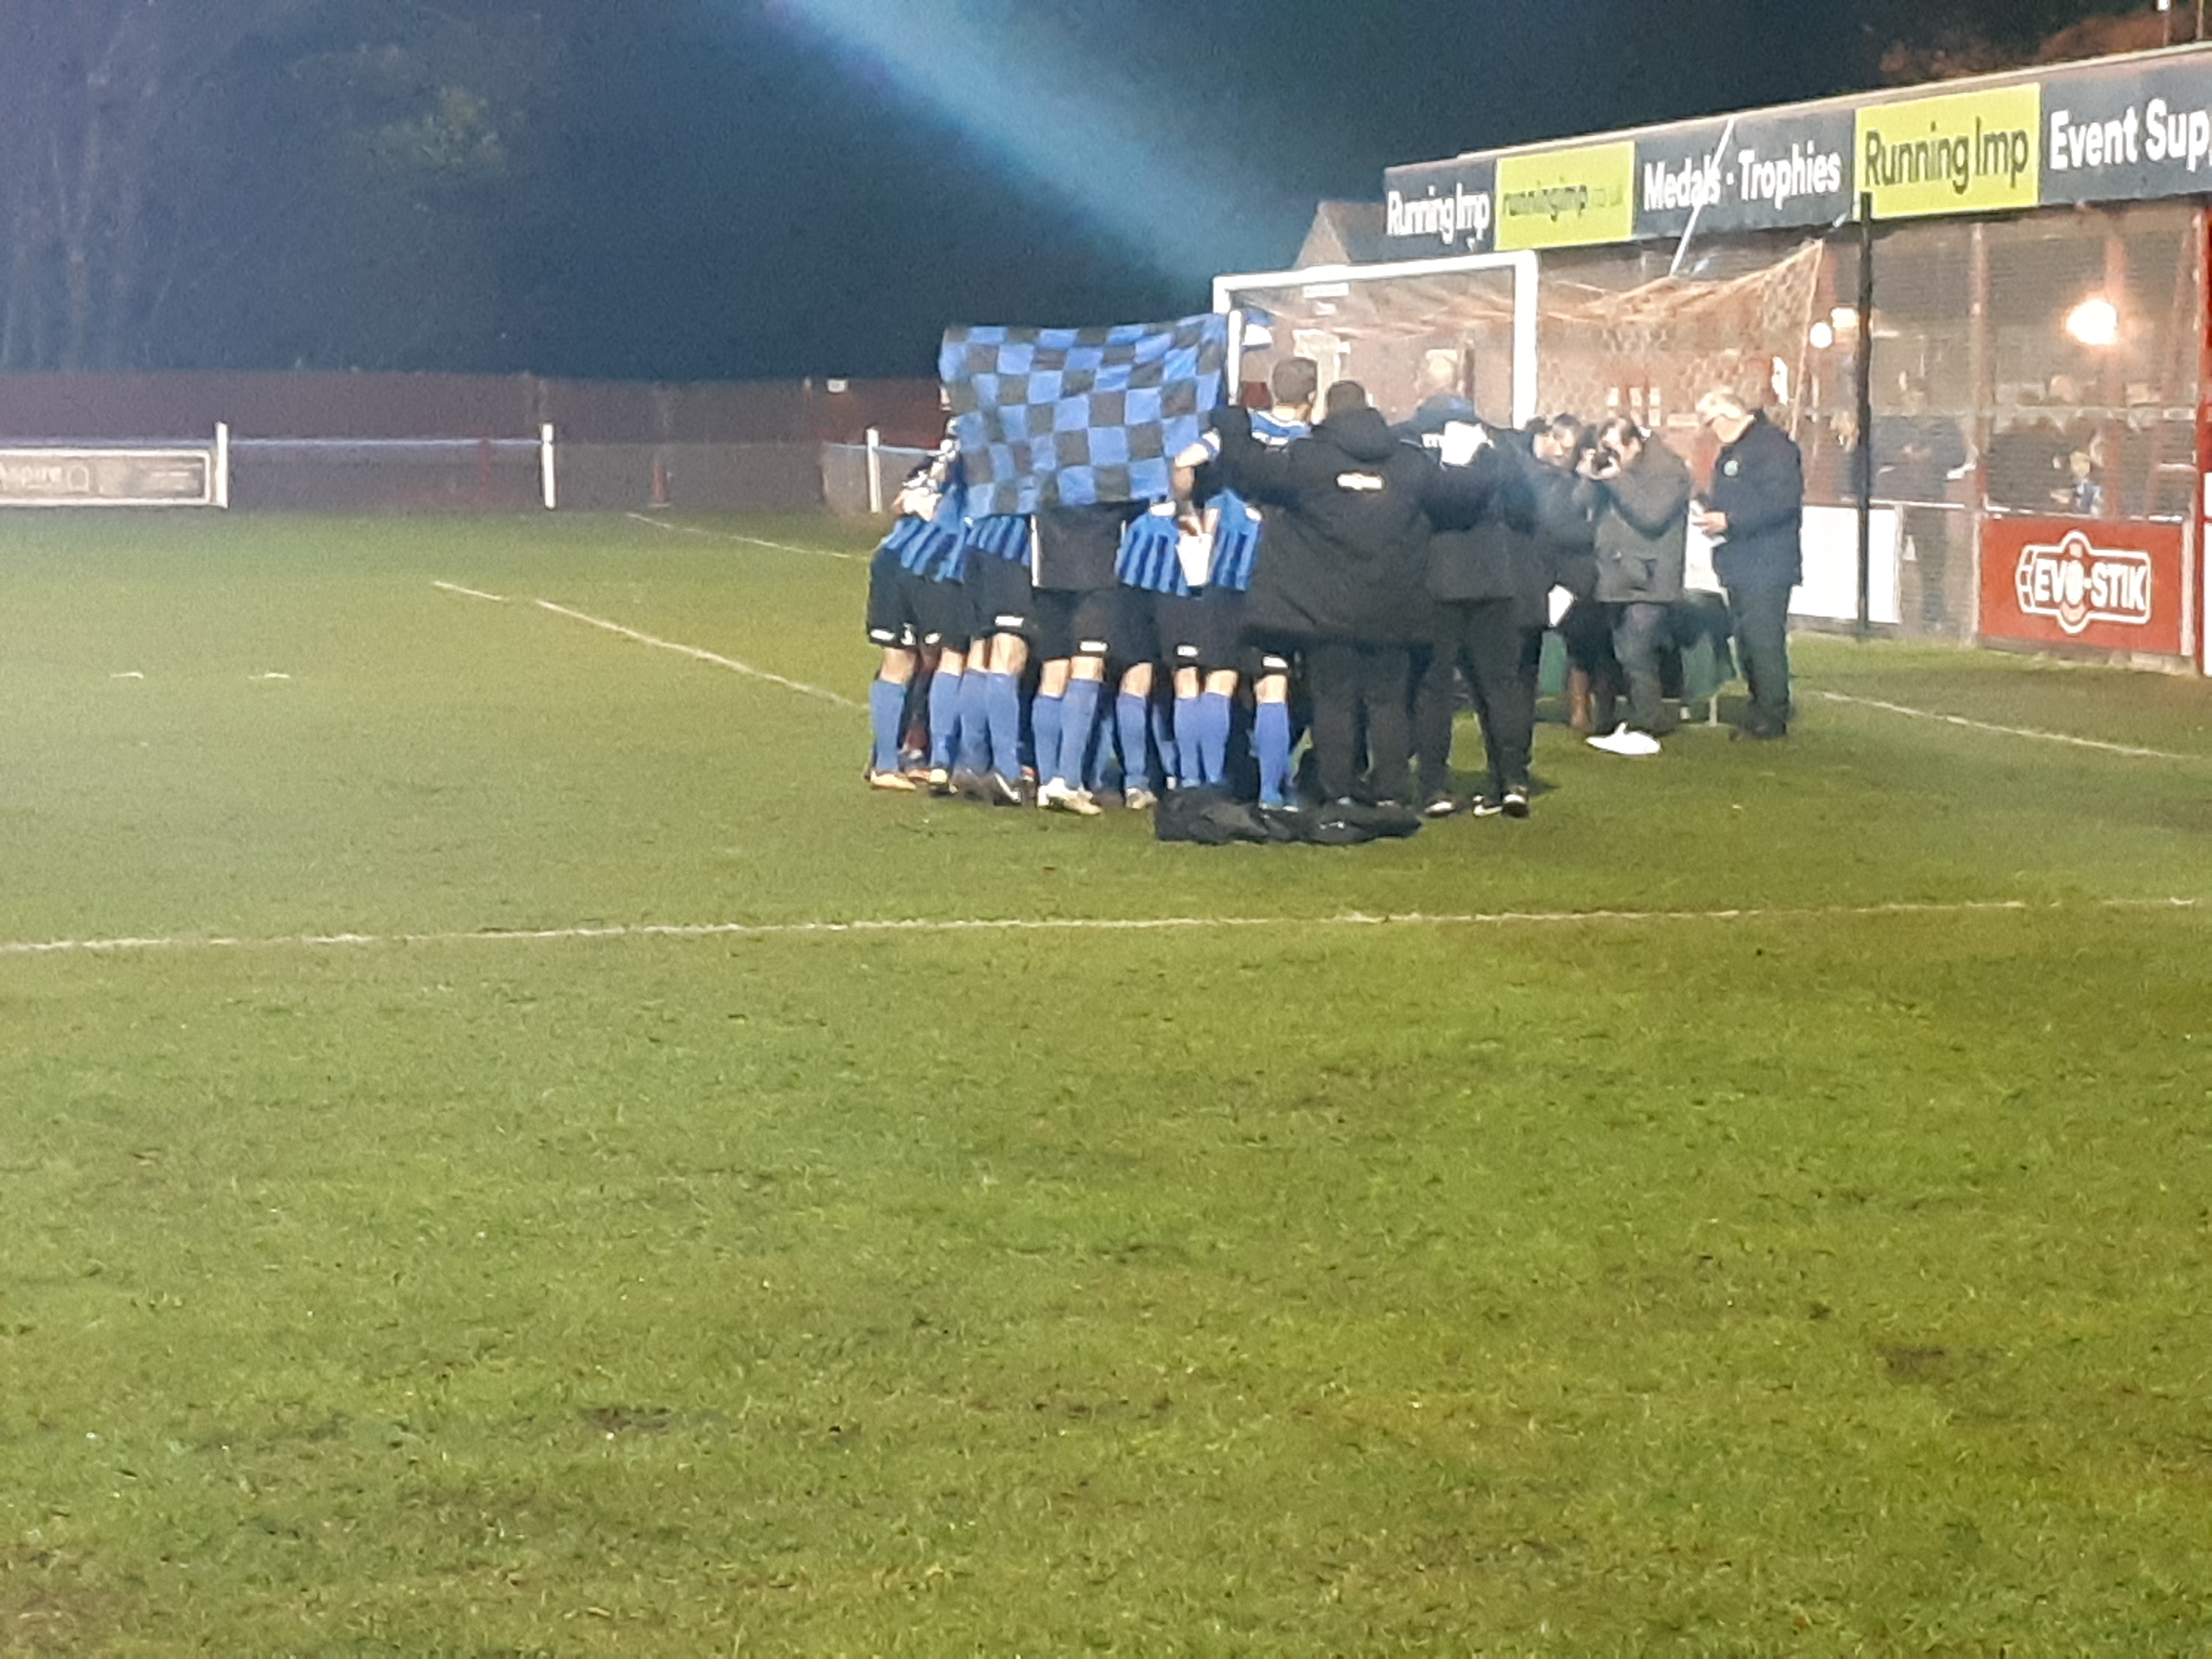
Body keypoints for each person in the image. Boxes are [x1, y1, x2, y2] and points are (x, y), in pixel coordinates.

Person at [1209, 379, 1501, 808]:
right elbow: (1460, 499)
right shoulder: (1409, 463)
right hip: (1395, 607)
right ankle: (1392, 791)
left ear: (1327, 411)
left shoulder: (1309, 459)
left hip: (1326, 610)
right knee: (1389, 703)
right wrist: (1479, 460)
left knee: (1334, 702)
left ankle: (1338, 790)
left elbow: (1248, 468)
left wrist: (1232, 421)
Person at [1172, 357, 1317, 807]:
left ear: (1272, 390)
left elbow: (1183, 462)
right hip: (1279, 575)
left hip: (1225, 569)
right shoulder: (1312, 441)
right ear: (1311, 398)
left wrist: (1186, 510)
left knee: (1219, 677)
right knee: (1273, 681)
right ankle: (1275, 792)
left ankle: (1212, 782)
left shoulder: (1240, 429)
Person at [1692, 388, 1803, 741]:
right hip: (1739, 561)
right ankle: (1759, 710)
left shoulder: (1773, 447)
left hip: (1767, 562)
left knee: (1764, 640)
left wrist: (1731, 520)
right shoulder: (1734, 451)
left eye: (1710, 423)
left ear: (1726, 416)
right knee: (1747, 642)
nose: (1710, 431)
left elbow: (1782, 503)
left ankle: (1772, 717)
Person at [1577, 415, 1691, 756]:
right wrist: (1587, 478)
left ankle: (1647, 723)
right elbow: (1579, 507)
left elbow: (1652, 516)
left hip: (1651, 578)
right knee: (1620, 652)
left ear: (1635, 444)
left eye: (1614, 449)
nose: (1610, 457)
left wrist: (1616, 480)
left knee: (1637, 651)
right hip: (1615, 575)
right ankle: (1624, 720)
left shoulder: (1669, 470)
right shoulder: (1614, 473)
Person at [1873, 377, 1967, 628]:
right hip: (1895, 500)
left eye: (1919, 397)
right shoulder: (1891, 425)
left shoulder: (1943, 426)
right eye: (1910, 397)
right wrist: (1901, 454)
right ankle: (1878, 609)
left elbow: (1959, 454)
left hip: (1929, 500)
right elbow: (1877, 449)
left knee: (1933, 560)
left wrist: (1932, 455)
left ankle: (1932, 612)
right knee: (1887, 557)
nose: (1914, 402)